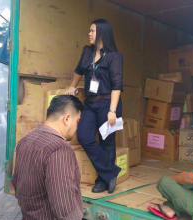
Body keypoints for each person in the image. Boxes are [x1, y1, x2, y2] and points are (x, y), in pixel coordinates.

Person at [67, 19, 123, 194]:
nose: (89, 34)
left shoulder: (114, 56)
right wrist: (72, 86)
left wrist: (112, 110)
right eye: (89, 31)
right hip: (90, 103)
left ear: (101, 33)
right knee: (84, 136)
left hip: (108, 103)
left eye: (92, 31)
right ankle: (110, 172)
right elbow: (78, 70)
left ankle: (102, 179)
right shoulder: (87, 51)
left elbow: (117, 85)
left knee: (107, 142)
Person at [12, 95, 84, 220]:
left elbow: (16, 182)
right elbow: (64, 207)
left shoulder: (25, 141)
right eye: (77, 121)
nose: (77, 127)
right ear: (67, 119)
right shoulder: (59, 149)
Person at [148, 156, 193, 220]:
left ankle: (171, 208)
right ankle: (172, 208)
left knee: (164, 182)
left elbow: (189, 178)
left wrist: (173, 179)